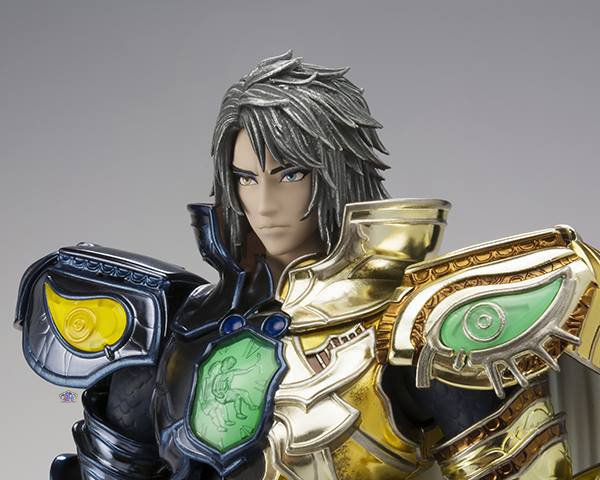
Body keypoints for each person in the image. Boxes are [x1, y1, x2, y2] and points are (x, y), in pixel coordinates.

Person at [16, 51, 600, 479]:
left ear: (337, 174)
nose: (264, 204)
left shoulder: (419, 327)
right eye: (246, 178)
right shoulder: (172, 331)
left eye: (290, 174)